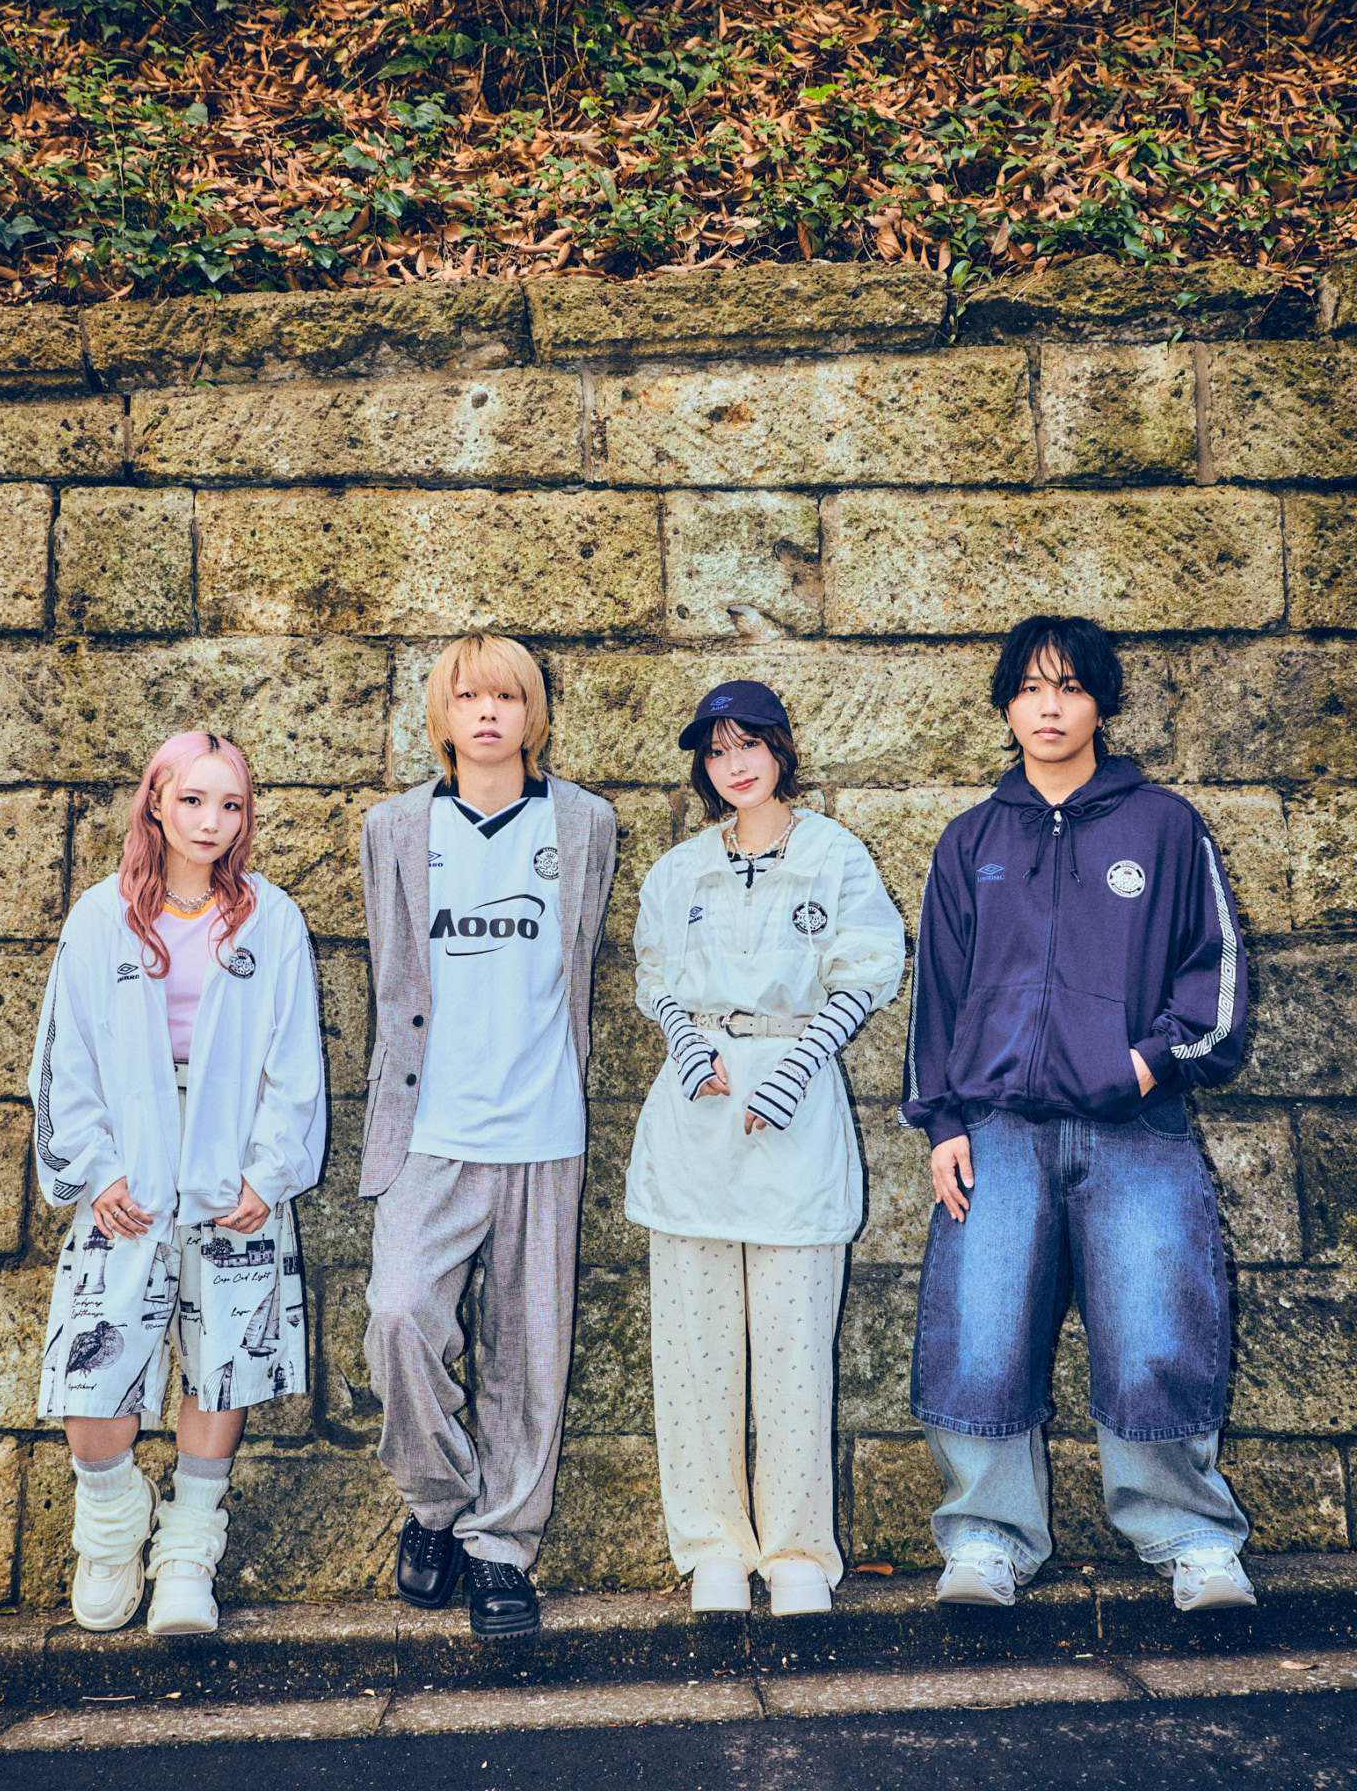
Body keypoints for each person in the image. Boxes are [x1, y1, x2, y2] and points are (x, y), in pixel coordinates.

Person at [901, 614, 1253, 1613]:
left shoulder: (1166, 827)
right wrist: (942, 1121)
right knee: (981, 1336)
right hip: (996, 1132)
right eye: (1029, 688)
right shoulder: (971, 840)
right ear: (1006, 706)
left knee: (1154, 1333)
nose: (1048, 707)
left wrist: (1142, 1067)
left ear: (1102, 702)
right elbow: (938, 993)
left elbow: (1215, 979)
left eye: (1069, 687)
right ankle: (987, 1539)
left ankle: (1192, 1540)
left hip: (1136, 1132)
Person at [32, 731, 325, 1636]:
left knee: (223, 1359)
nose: (211, 821)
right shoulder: (100, 917)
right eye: (193, 800)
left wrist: (270, 1170)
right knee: (95, 1365)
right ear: (155, 802)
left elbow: (295, 1058)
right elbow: (63, 1054)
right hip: (129, 1160)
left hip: (232, 1160)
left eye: (230, 805)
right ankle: (112, 1521)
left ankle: (191, 1546)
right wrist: (95, 1167)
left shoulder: (270, 919)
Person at [625, 680, 905, 1616]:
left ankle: (796, 1550)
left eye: (749, 744)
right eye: (716, 751)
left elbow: (867, 971)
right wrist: (688, 1040)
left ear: (781, 750)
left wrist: (798, 1064)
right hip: (697, 1117)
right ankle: (710, 1543)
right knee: (694, 1347)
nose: (734, 764)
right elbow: (657, 977)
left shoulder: (833, 856)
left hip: (795, 1107)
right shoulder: (680, 871)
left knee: (793, 1346)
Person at [360, 634, 616, 1639]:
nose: (487, 713)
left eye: (506, 696)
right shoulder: (394, 828)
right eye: (468, 697)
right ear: (442, 713)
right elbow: (393, 978)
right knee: (398, 1317)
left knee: (529, 1357)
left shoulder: (583, 822)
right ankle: (437, 1504)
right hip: (430, 1131)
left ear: (532, 711)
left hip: (544, 1131)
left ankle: (502, 1550)